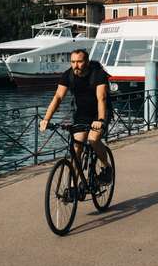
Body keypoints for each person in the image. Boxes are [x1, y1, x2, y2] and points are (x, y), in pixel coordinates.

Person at [39, 49, 112, 182]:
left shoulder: (98, 74)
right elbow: (58, 97)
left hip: (100, 113)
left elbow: (101, 98)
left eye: (79, 61)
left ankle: (107, 168)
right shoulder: (68, 75)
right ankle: (74, 186)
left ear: (87, 62)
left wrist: (100, 120)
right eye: (73, 62)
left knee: (93, 139)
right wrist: (46, 119)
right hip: (82, 114)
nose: (75, 65)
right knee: (77, 147)